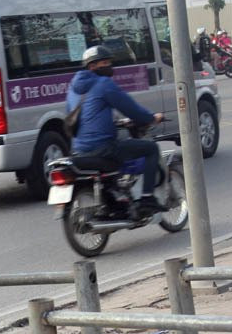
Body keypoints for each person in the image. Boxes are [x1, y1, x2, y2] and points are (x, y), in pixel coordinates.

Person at [66, 45, 165, 217]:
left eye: (110, 62)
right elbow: (131, 109)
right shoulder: (104, 83)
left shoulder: (74, 87)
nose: (110, 66)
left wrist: (114, 122)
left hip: (79, 149)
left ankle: (116, 202)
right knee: (150, 149)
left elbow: (85, 115)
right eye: (105, 62)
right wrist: (151, 118)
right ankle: (147, 199)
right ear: (92, 66)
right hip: (102, 147)